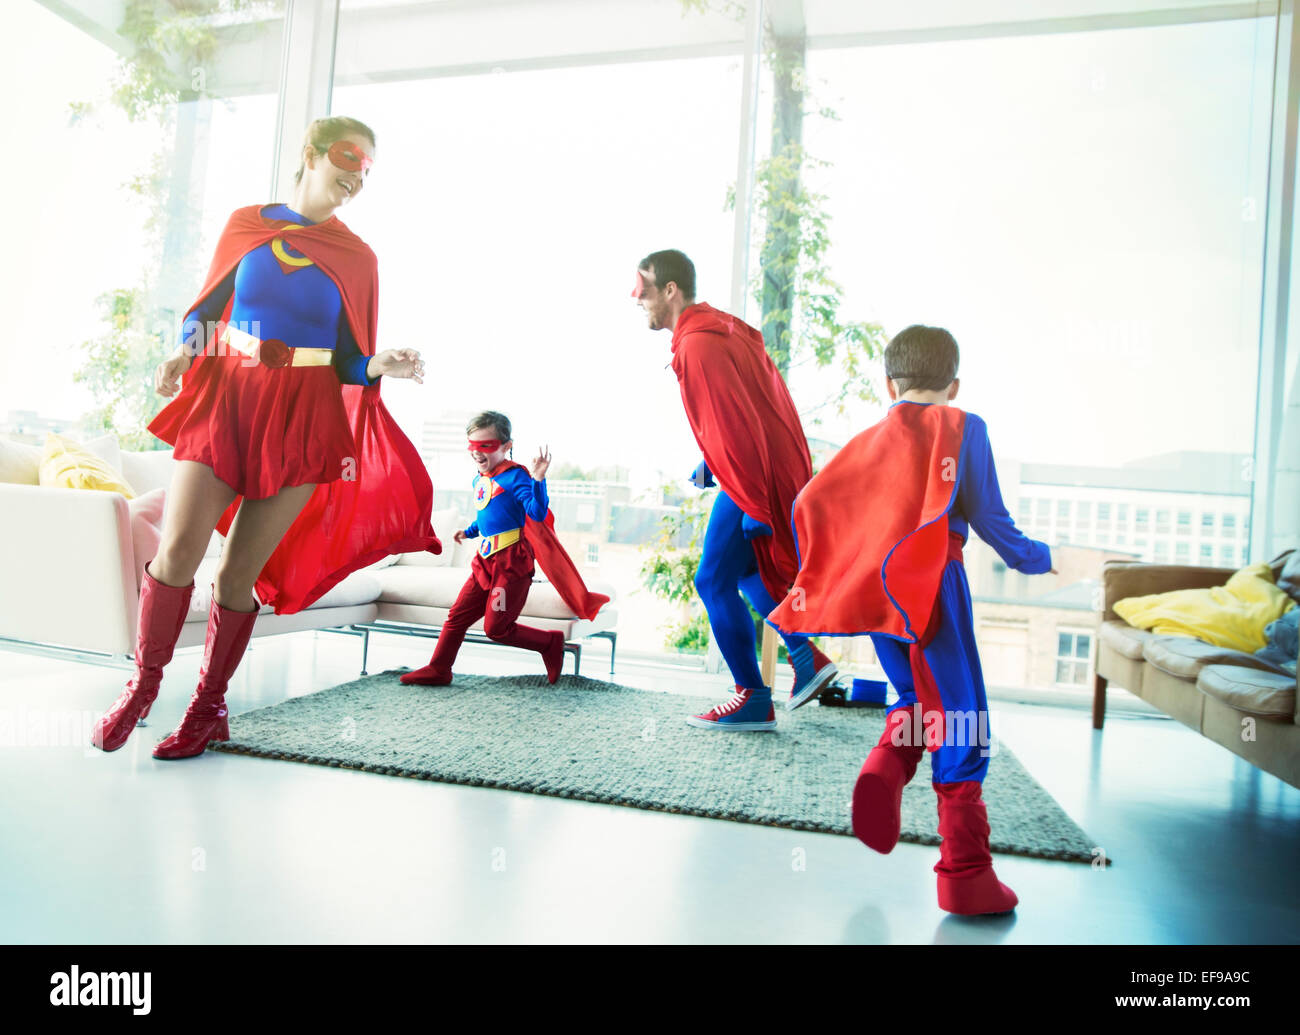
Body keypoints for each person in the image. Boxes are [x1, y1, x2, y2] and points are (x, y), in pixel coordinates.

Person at [91, 116, 439, 761]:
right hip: (227, 399)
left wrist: (378, 365)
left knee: (235, 576)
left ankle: (206, 710)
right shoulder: (246, 225)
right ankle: (141, 687)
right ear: (309, 154)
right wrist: (181, 355)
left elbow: (346, 362)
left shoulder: (357, 257)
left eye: (368, 167)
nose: (357, 175)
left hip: (305, 419)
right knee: (176, 557)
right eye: (348, 158)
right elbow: (204, 311)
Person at [767, 325, 1056, 915]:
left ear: (888, 382)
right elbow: (991, 521)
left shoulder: (868, 439)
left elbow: (807, 504)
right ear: (954, 384)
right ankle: (966, 875)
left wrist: (828, 570)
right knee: (962, 715)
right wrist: (1041, 561)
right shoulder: (964, 428)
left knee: (917, 700)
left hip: (879, 594)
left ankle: (888, 764)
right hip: (934, 591)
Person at [634, 249, 837, 730]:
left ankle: (752, 697)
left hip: (753, 479)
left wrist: (754, 506)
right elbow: (751, 410)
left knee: (710, 581)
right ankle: (807, 658)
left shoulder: (697, 345)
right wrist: (712, 461)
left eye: (643, 285)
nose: (636, 296)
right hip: (759, 472)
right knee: (746, 576)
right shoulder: (719, 330)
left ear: (670, 290)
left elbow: (739, 428)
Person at [400, 411, 609, 686]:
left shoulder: (516, 476)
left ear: (506, 445)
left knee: (496, 629)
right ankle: (439, 669)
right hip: (484, 560)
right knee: (457, 617)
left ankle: (549, 643)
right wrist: (470, 531)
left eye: (486, 446)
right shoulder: (479, 478)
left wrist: (538, 480)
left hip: (511, 564)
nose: (477, 453)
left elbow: (535, 512)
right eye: (472, 446)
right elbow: (489, 516)